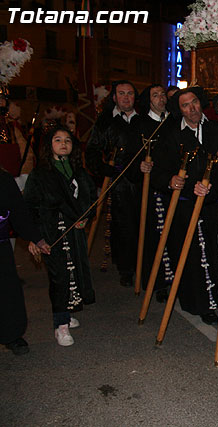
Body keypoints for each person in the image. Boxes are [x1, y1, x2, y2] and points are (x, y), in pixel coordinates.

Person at [151, 86, 218, 325]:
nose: (192, 108)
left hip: (212, 207)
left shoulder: (216, 130)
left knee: (215, 254)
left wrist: (213, 186)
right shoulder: (171, 136)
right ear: (178, 110)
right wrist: (171, 180)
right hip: (184, 208)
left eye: (194, 102)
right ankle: (198, 303)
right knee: (190, 257)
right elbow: (160, 173)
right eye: (185, 105)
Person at [23, 126, 97, 346]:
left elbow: (89, 197)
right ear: (48, 146)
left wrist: (86, 215)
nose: (63, 143)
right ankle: (60, 324)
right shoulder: (40, 174)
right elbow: (29, 206)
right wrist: (33, 237)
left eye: (68, 140)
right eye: (57, 140)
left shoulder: (79, 171)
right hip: (51, 232)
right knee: (59, 277)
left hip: (74, 233)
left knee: (75, 272)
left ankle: (66, 310)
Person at [85, 80, 142, 287]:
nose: (126, 97)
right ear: (115, 97)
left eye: (130, 93)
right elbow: (91, 152)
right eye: (122, 93)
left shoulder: (142, 120)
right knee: (123, 227)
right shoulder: (105, 121)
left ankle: (143, 264)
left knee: (144, 224)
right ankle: (125, 268)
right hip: (119, 184)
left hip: (144, 182)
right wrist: (107, 170)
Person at [130, 84, 175, 302]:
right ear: (148, 100)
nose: (160, 99)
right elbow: (129, 156)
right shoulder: (139, 123)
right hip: (150, 190)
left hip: (171, 186)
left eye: (162, 95)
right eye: (155, 95)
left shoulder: (173, 121)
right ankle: (158, 282)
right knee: (154, 235)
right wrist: (139, 166)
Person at [0, 168, 50, 355]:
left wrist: (37, 238)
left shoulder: (3, 179)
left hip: (0, 248)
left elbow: (19, 213)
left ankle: (11, 334)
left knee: (6, 290)